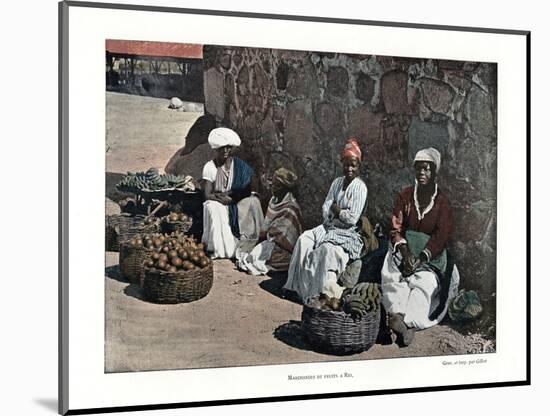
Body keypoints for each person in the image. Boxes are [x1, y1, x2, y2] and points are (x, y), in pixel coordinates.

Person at [381, 147, 460, 347]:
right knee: (394, 278)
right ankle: (396, 315)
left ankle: (408, 324)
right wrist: (406, 254)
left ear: (434, 173)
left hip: (430, 257)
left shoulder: (442, 203)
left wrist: (421, 258)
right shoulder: (406, 196)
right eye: (419, 169)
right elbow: (395, 228)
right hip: (405, 251)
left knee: (424, 285)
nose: (422, 174)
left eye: (427, 169)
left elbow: (441, 236)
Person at [283, 138, 368, 302]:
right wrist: (333, 211)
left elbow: (352, 218)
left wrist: (337, 210)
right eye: (346, 164)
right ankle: (295, 287)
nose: (349, 168)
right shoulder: (337, 182)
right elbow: (326, 206)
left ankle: (317, 295)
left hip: (347, 233)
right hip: (328, 225)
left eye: (353, 165)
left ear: (359, 167)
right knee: (304, 240)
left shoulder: (360, 187)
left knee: (326, 251)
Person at [201, 127, 264, 259]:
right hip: (218, 200)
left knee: (253, 201)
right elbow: (207, 194)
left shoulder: (238, 164)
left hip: (235, 198)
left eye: (228, 147)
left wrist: (233, 198)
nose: (225, 151)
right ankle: (223, 249)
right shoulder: (210, 167)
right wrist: (221, 199)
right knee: (213, 207)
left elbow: (247, 187)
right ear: (215, 149)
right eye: (222, 148)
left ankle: (252, 241)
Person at [236, 167, 304, 275]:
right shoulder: (273, 201)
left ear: (285, 188)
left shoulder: (290, 208)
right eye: (273, 184)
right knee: (252, 255)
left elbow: (289, 237)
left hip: (285, 248)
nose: (273, 188)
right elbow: (267, 224)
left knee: (263, 258)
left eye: (278, 186)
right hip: (271, 242)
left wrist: (272, 238)